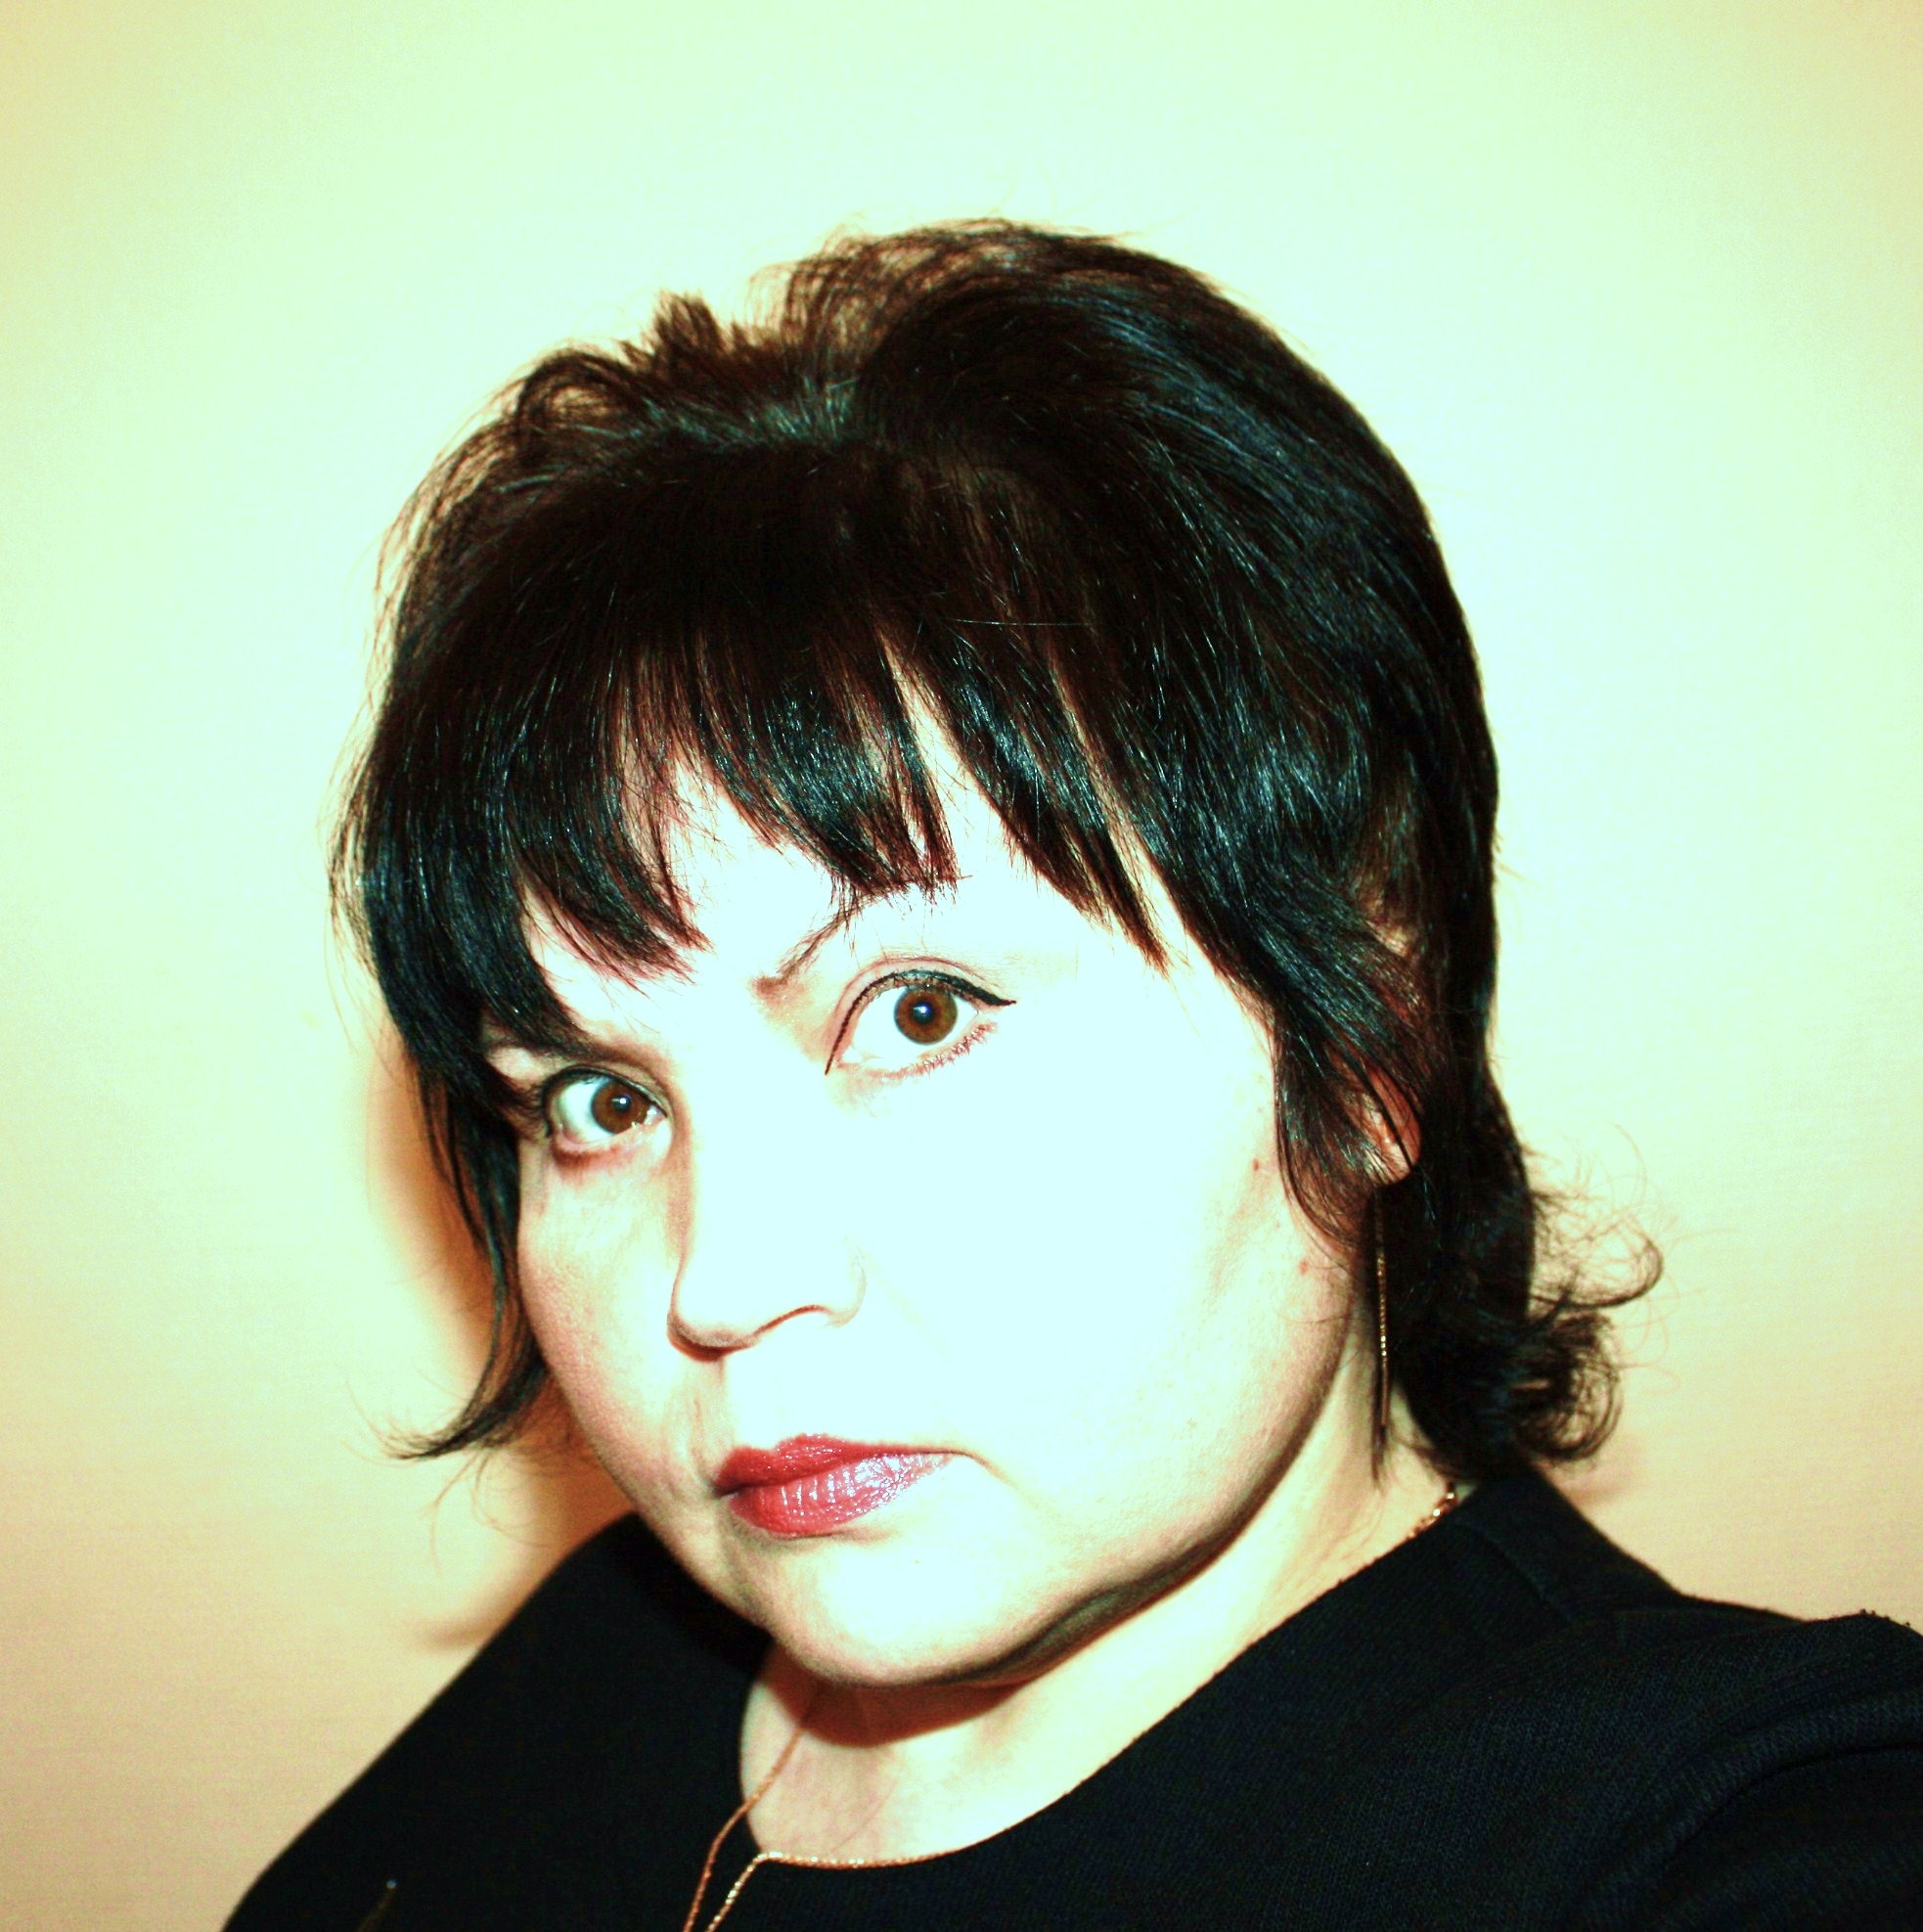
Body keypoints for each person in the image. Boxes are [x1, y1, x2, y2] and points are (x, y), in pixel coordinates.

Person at [229, 221, 1923, 1930]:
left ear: (1367, 1036)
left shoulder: (1724, 1832)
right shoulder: (603, 1666)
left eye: (917, 1011)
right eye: (602, 1099)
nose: (721, 1283)